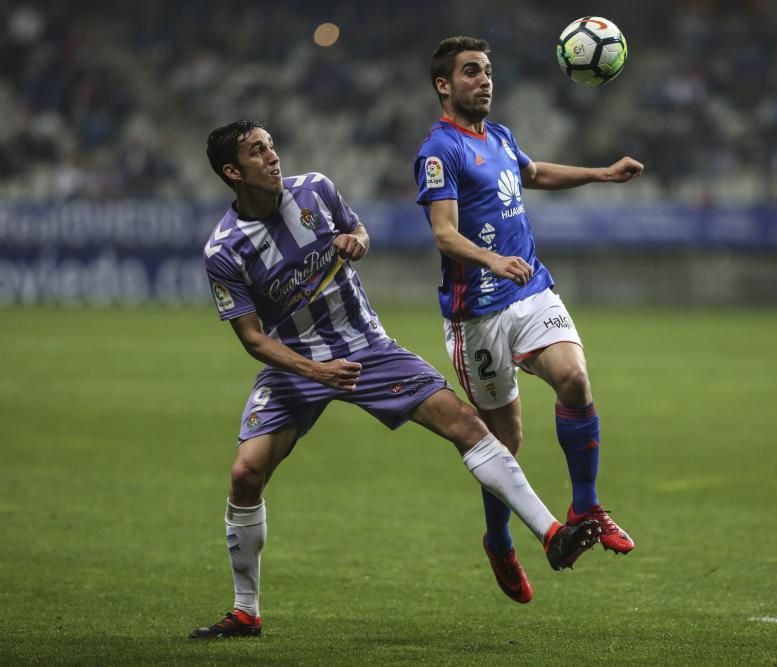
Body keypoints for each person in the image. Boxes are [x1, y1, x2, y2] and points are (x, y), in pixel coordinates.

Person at [190, 120, 601, 639]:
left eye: (271, 145)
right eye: (257, 151)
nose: (272, 157)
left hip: (367, 347)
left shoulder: (315, 189)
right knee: (246, 475)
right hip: (295, 363)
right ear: (232, 171)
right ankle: (246, 611)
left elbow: (359, 229)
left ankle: (552, 534)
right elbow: (253, 339)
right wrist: (317, 371)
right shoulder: (224, 250)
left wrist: (357, 240)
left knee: (465, 424)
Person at [413, 36, 643, 605]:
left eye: (488, 71)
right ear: (445, 85)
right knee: (504, 439)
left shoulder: (499, 136)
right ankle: (498, 540)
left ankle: (586, 504)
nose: (484, 80)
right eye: (471, 72)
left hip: (530, 288)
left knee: (575, 378)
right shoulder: (439, 151)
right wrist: (492, 259)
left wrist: (601, 175)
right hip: (478, 313)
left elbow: (533, 173)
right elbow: (443, 232)